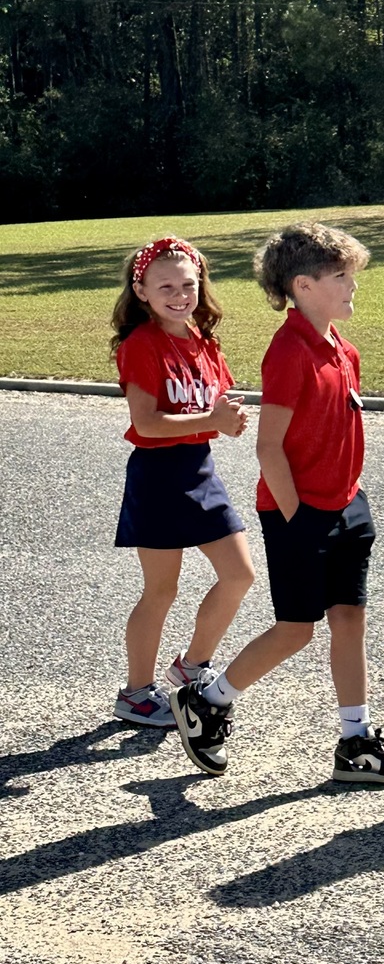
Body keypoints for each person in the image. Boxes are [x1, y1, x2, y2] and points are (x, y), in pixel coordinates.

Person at [170, 222, 384, 784]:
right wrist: (299, 518)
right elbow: (269, 448)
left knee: (350, 618)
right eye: (341, 276)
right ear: (304, 285)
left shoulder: (342, 348)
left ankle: (356, 740)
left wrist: (349, 499)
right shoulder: (289, 351)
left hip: (348, 505)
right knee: (295, 629)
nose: (352, 285)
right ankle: (208, 701)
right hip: (300, 513)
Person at [111, 236, 255, 727]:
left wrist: (229, 418)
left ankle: (191, 667)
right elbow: (146, 423)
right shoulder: (141, 344)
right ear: (142, 290)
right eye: (166, 285)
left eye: (188, 284)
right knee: (161, 590)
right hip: (157, 476)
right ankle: (135, 694)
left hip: (199, 470)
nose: (180, 294)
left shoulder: (202, 339)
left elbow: (215, 406)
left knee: (239, 575)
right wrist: (211, 421)